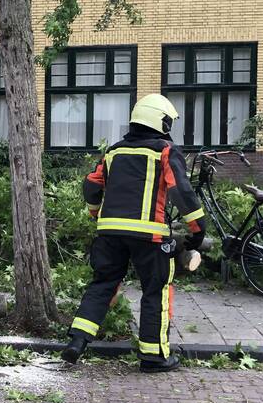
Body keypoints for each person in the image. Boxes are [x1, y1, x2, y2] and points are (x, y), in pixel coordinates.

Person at [61, 94, 206, 373]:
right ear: (161, 122)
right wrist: (198, 230)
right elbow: (182, 192)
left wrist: (96, 213)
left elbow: (92, 185)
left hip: (109, 234)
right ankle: (154, 357)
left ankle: (77, 342)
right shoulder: (165, 151)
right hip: (150, 237)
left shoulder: (113, 152)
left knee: (103, 284)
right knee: (155, 291)